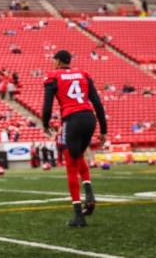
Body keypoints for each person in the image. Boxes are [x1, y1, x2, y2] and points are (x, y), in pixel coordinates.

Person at [42, 50, 108, 228]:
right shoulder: (84, 75)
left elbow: (47, 106)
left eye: (54, 60)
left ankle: (79, 216)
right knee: (79, 156)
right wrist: (103, 130)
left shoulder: (53, 77)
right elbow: (98, 103)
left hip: (72, 120)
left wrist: (45, 123)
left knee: (71, 164)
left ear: (58, 61)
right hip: (89, 119)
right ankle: (89, 193)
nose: (52, 63)